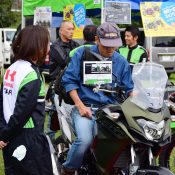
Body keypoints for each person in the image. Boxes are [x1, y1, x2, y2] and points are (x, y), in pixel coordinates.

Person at [61, 22, 134, 174]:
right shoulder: (82, 55)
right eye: (106, 45)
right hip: (85, 108)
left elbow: (129, 89)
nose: (110, 49)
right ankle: (68, 169)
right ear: (96, 39)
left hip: (111, 112)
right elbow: (69, 81)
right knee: (84, 140)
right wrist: (80, 106)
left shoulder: (121, 62)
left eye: (113, 45)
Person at [0, 25, 53, 175]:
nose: (49, 48)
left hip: (11, 135)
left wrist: (3, 134)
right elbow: (22, 112)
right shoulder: (32, 74)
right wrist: (5, 136)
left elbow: (2, 103)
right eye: (47, 43)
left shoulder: (11, 68)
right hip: (28, 137)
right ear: (38, 46)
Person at [46, 20, 79, 140]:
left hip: (72, 87)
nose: (71, 31)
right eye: (68, 29)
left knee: (71, 117)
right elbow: (66, 61)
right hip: (58, 88)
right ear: (61, 31)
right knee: (54, 121)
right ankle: (49, 145)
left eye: (72, 29)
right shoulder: (55, 47)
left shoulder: (76, 45)